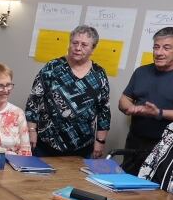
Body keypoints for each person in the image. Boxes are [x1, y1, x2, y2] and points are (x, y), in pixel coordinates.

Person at [118, 27, 173, 174]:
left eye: (166, 48)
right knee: (125, 190)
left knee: (156, 195)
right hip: (135, 145)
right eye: (156, 47)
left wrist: (158, 113)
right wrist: (129, 107)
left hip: (171, 148)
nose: (159, 53)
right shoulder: (141, 72)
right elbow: (125, 98)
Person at [25, 25, 111, 158]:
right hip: (46, 145)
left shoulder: (99, 74)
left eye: (84, 45)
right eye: (74, 43)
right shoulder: (52, 67)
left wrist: (100, 141)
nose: (78, 48)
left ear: (93, 49)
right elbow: (33, 101)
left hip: (82, 148)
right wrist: (31, 131)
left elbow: (104, 111)